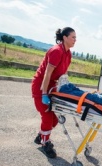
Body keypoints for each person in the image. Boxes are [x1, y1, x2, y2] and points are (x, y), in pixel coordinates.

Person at [31, 27, 76, 158]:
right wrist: (44, 93)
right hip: (41, 86)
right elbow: (47, 73)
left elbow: (64, 73)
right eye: (73, 37)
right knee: (46, 117)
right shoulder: (56, 51)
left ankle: (41, 136)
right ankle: (45, 143)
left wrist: (65, 87)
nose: (75, 40)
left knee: (54, 121)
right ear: (65, 38)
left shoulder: (68, 53)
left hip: (52, 87)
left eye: (75, 37)